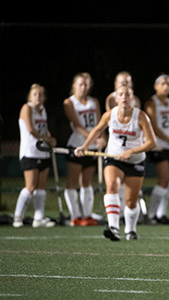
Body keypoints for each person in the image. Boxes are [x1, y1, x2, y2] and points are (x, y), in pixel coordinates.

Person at [75, 85, 157, 241]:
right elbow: (97, 130)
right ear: (116, 98)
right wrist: (85, 146)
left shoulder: (141, 117)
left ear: (132, 98)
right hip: (113, 158)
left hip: (135, 161)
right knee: (112, 186)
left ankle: (130, 230)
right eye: (121, 94)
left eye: (127, 94)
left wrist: (131, 151)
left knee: (131, 201)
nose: (124, 97)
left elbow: (152, 142)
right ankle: (113, 227)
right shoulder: (109, 115)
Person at [63, 73, 106, 226]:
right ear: (74, 85)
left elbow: (101, 122)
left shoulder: (94, 101)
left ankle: (87, 215)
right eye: (81, 84)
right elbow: (77, 125)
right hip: (77, 146)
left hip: (92, 147)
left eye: (87, 84)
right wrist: (93, 138)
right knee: (73, 181)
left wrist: (102, 138)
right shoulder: (69, 102)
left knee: (87, 182)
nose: (84, 87)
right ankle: (75, 216)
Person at [13, 84, 56, 228]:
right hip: (30, 152)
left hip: (43, 153)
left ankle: (38, 218)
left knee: (41, 186)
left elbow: (44, 129)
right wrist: (46, 139)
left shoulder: (43, 110)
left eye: (41, 94)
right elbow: (31, 129)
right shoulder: (27, 108)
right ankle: (18, 216)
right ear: (30, 96)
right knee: (30, 186)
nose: (38, 97)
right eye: (35, 94)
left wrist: (50, 138)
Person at [144, 74, 169, 224]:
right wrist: (168, 139)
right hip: (159, 146)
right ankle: (152, 215)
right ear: (156, 86)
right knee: (163, 179)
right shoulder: (152, 102)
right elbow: (152, 124)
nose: (167, 86)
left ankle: (161, 214)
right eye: (163, 83)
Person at [105, 71, 141, 219]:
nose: (124, 84)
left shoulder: (135, 100)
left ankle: (129, 224)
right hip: (116, 150)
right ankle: (114, 221)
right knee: (114, 184)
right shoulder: (111, 100)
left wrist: (137, 147)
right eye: (121, 82)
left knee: (131, 195)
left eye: (127, 82)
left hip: (133, 153)